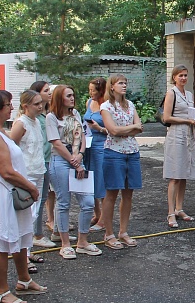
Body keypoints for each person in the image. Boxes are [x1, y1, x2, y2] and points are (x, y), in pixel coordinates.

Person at [0, 90, 46, 303]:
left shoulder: (0, 132)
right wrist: (30, 186)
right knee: (2, 244)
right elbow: (6, 171)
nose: (11, 108)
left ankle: (24, 279)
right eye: (7, 105)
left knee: (22, 237)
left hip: (12, 194)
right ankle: (1, 291)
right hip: (3, 196)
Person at [46, 84, 100, 259]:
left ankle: (82, 242)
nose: (72, 98)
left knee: (88, 202)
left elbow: (83, 136)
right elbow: (56, 142)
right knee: (64, 202)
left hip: (78, 158)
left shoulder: (75, 113)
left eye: (73, 95)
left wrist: (81, 155)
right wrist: (73, 160)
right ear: (59, 98)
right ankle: (65, 244)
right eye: (68, 95)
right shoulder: (51, 117)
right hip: (61, 160)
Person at [100, 74, 143, 249]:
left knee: (128, 193)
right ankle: (108, 234)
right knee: (111, 193)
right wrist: (129, 128)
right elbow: (112, 130)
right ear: (112, 86)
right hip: (114, 152)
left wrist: (126, 129)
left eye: (125, 82)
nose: (124, 86)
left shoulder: (130, 104)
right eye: (120, 83)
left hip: (132, 151)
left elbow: (139, 127)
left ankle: (123, 231)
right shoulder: (106, 106)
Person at [9, 90, 46, 273]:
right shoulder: (21, 123)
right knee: (26, 214)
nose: (40, 106)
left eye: (41, 103)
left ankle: (27, 250)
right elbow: (11, 147)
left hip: (38, 171)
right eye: (36, 104)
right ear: (25, 106)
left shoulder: (37, 121)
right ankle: (22, 255)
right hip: (26, 174)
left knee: (34, 212)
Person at [162, 64, 195, 228]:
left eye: (185, 75)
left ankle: (179, 208)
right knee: (175, 175)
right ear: (174, 77)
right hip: (176, 134)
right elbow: (166, 117)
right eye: (180, 75)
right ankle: (170, 212)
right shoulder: (171, 93)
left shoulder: (190, 94)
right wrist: (186, 120)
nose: (183, 78)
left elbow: (191, 112)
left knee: (184, 173)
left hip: (189, 135)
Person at [29, 80, 57, 251]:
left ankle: (38, 231)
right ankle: (36, 234)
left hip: (47, 160)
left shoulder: (47, 114)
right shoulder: (34, 119)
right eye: (46, 90)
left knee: (44, 197)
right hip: (38, 163)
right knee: (38, 199)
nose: (50, 93)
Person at [83, 77, 108, 231]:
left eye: (93, 90)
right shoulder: (88, 102)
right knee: (90, 179)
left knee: (101, 180)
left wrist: (99, 128)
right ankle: (96, 213)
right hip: (88, 145)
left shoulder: (106, 105)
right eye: (89, 89)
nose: (91, 93)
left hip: (102, 144)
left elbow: (112, 129)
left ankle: (104, 219)